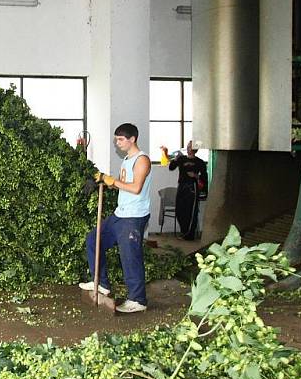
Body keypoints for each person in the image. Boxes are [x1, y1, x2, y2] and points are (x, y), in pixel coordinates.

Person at [78, 123, 152, 313]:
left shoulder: (142, 160)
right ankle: (101, 283)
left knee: (130, 256)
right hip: (121, 214)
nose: (117, 143)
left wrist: (112, 180)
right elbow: (119, 184)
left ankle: (138, 300)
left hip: (134, 217)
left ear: (132, 139)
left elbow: (135, 188)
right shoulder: (127, 159)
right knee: (94, 239)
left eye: (120, 139)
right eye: (116, 139)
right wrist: (102, 180)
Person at [160, 140, 208, 241]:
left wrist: (195, 176)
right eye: (187, 146)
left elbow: (204, 177)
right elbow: (171, 167)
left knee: (190, 212)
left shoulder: (200, 162)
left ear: (195, 149)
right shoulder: (182, 159)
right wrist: (170, 156)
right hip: (182, 186)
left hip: (192, 188)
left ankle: (189, 235)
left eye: (190, 146)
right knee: (180, 210)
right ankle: (184, 232)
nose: (188, 148)